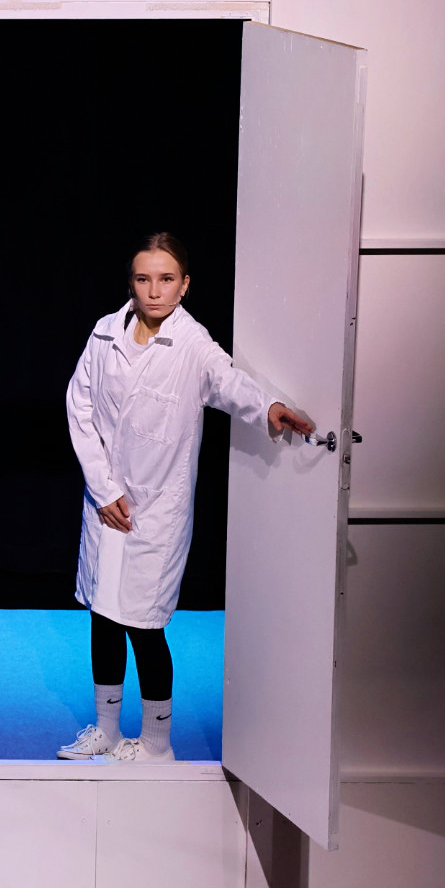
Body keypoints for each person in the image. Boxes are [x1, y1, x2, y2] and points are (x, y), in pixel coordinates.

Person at [59, 234, 313, 763]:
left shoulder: (192, 344)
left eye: (166, 279)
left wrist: (269, 407)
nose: (154, 291)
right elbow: (78, 407)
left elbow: (229, 381)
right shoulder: (104, 333)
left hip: (156, 511)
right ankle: (107, 729)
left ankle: (157, 744)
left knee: (144, 625)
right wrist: (104, 488)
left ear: (185, 285)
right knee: (103, 617)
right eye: (144, 278)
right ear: (131, 283)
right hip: (106, 505)